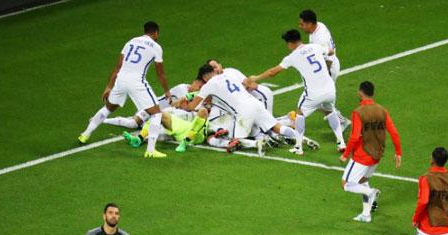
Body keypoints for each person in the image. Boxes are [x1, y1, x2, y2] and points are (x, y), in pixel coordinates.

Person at [77, 21, 170, 158]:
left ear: (144, 31)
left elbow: (117, 67)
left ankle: (85, 134)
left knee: (108, 108)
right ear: (156, 33)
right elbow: (160, 74)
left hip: (121, 79)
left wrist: (109, 86)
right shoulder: (156, 47)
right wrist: (167, 91)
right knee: (156, 113)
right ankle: (150, 151)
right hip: (137, 82)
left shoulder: (130, 42)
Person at [249, 29, 345, 155]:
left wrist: (255, 78)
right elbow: (331, 51)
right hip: (330, 89)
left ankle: (298, 147)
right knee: (330, 111)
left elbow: (273, 72)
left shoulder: (293, 56)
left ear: (290, 43)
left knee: (300, 114)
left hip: (313, 93)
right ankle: (341, 143)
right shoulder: (315, 46)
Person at [182, 64, 302, 155]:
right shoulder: (229, 74)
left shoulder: (208, 85)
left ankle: (257, 143)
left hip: (243, 110)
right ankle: (301, 138)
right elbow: (248, 84)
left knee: (234, 140)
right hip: (255, 103)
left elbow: (192, 107)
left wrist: (184, 105)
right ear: (214, 71)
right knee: (277, 127)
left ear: (204, 77)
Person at [339, 81, 402, 223]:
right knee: (362, 181)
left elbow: (355, 137)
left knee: (346, 184)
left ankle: (371, 193)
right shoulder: (382, 110)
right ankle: (366, 214)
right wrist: (398, 153)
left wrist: (345, 154)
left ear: (360, 93)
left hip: (361, 156)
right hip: (377, 155)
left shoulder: (358, 112)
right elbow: (394, 132)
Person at [298, 9, 350, 129]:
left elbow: (329, 59)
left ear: (310, 24)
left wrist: (321, 78)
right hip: (326, 66)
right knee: (321, 101)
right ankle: (340, 121)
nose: (300, 26)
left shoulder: (320, 37)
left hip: (329, 69)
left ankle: (341, 121)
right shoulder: (318, 26)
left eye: (302, 24)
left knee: (319, 100)